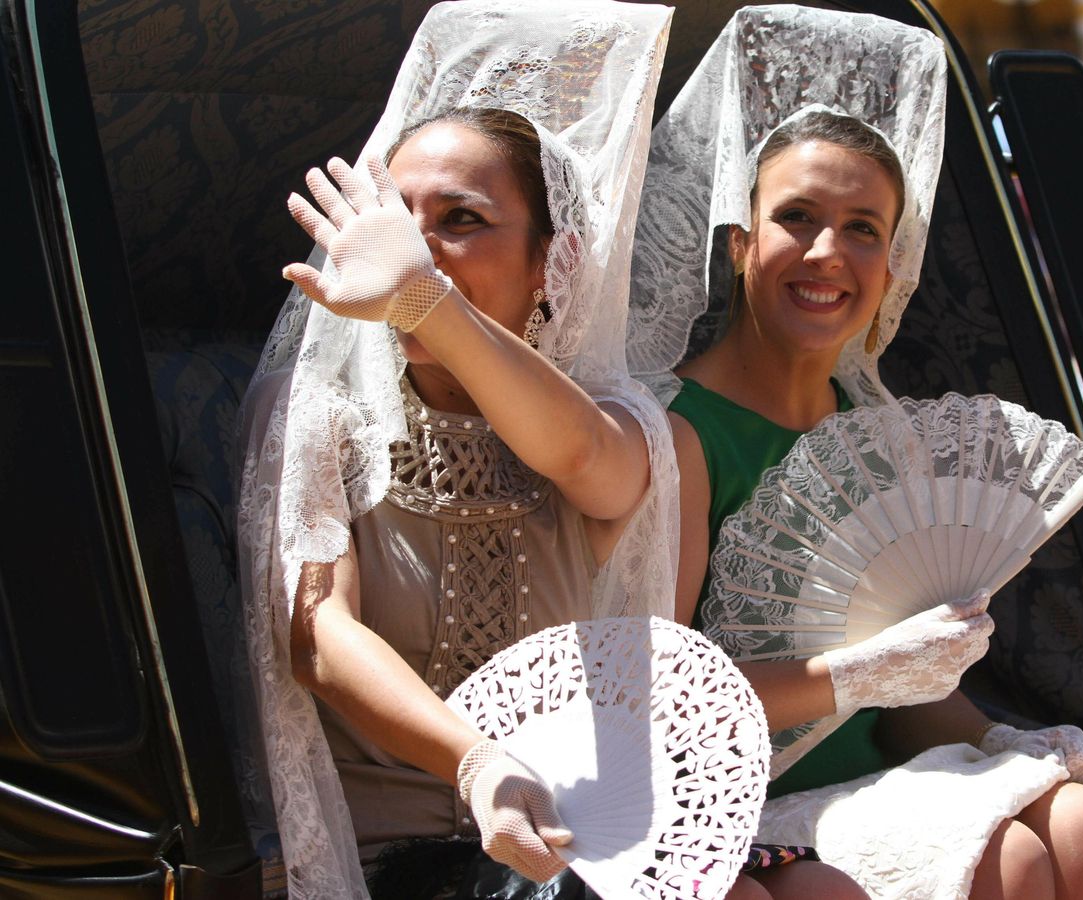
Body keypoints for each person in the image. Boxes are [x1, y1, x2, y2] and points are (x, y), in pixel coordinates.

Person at [234, 4, 809, 897]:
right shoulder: (318, 412)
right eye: (395, 221)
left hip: (579, 835)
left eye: (460, 219)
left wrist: (426, 303)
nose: (411, 251)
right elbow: (321, 639)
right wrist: (480, 766)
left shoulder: (619, 423)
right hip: (402, 858)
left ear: (551, 261)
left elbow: (582, 460)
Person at [628, 8, 1083, 899]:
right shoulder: (683, 435)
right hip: (743, 804)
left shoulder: (877, 431)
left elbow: (905, 697)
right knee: (1012, 861)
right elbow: (664, 699)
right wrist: (862, 671)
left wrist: (995, 739)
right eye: (797, 217)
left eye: (863, 228)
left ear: (893, 262)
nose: (829, 252)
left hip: (884, 780)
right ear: (739, 241)